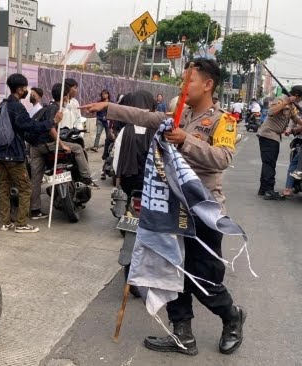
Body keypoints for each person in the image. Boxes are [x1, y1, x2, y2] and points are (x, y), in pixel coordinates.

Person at [83, 58, 245, 356]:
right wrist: (108, 108)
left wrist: (185, 141)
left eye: (189, 81)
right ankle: (183, 334)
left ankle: (232, 315)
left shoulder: (225, 121)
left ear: (208, 85)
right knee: (171, 271)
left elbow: (222, 158)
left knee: (205, 278)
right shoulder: (177, 116)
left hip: (203, 211)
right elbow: (144, 117)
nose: (183, 87)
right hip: (171, 209)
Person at [0, 74, 63, 233]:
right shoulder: (16, 107)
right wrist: (53, 122)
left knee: (4, 187)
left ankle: (6, 222)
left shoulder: (3, 104)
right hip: (14, 154)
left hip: (0, 153)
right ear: (19, 89)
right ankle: (21, 224)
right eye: (25, 88)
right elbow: (30, 126)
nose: (27, 91)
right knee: (26, 189)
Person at [29, 83, 97, 220]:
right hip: (48, 144)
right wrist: (62, 145)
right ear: (65, 96)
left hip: (35, 147)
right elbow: (51, 128)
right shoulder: (57, 109)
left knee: (36, 180)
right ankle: (86, 177)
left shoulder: (45, 107)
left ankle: (35, 210)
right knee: (77, 148)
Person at [256, 85, 302, 200]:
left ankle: (263, 189)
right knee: (269, 163)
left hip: (275, 136)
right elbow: (271, 112)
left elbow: (295, 118)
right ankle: (268, 190)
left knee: (268, 163)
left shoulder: (292, 105)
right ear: (297, 96)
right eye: (301, 98)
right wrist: (286, 102)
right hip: (268, 135)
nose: (300, 101)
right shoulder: (281, 100)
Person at [112, 91, 156, 202]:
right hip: (151, 181)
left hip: (129, 181)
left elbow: (117, 158)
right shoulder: (157, 131)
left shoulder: (125, 130)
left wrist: (118, 177)